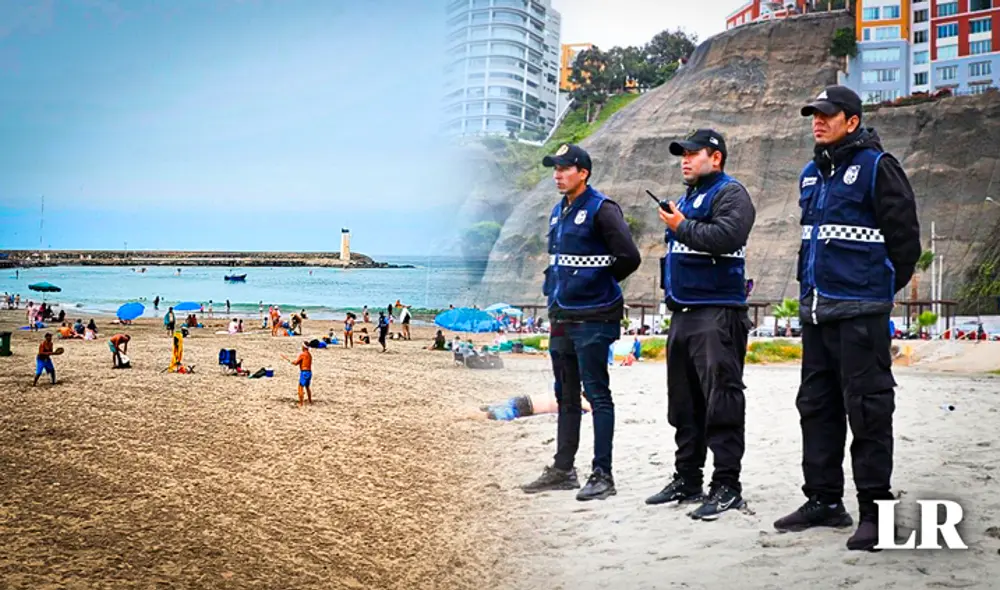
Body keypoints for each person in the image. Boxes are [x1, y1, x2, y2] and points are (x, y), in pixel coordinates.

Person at [773, 86, 921, 551]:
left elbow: (905, 242)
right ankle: (823, 501)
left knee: (868, 411)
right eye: (813, 115)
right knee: (816, 409)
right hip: (817, 314)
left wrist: (876, 288)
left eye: (827, 115)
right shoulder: (810, 174)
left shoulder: (878, 167)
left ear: (852, 121)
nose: (817, 122)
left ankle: (876, 512)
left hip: (860, 314)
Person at [644, 129, 756, 521]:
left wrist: (681, 225)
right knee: (684, 404)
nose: (685, 160)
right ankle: (687, 479)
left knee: (722, 401)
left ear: (716, 157)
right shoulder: (690, 198)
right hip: (684, 313)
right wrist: (681, 222)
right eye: (683, 155)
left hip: (717, 313)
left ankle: (726, 485)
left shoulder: (731, 193)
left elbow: (727, 236)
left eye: (693, 154)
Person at [520, 143, 641, 501]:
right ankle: (563, 469)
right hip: (562, 314)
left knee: (597, 394)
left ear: (583, 173)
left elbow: (629, 257)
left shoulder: (602, 209)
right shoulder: (559, 211)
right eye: (555, 169)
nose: (557, 175)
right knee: (565, 394)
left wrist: (596, 286)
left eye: (564, 168)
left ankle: (603, 474)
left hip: (594, 316)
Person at [289, 342, 313, 407]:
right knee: (307, 387)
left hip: (304, 372)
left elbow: (296, 363)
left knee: (300, 387)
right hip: (309, 372)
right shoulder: (309, 355)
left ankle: (301, 403)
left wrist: (292, 362)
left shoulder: (303, 354)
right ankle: (310, 401)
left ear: (304, 347)